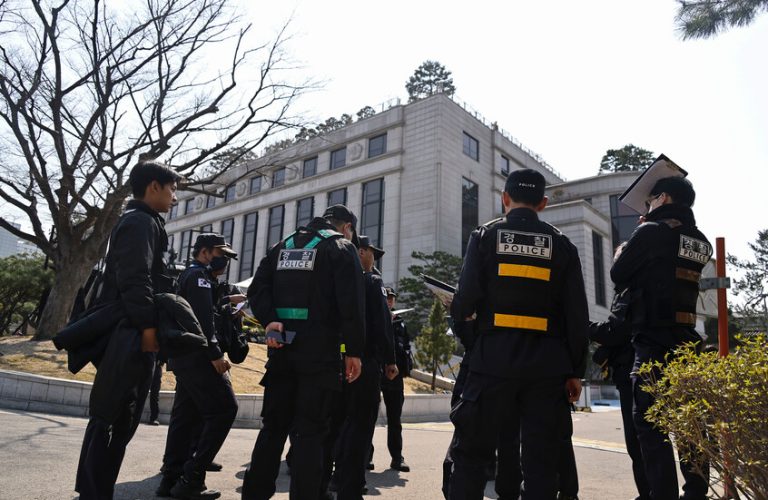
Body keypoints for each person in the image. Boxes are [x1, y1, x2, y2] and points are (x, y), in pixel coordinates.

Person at [448, 168, 589, 500]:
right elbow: (576, 316)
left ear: (505, 198)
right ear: (543, 203)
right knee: (542, 464)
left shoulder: (485, 236)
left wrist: (476, 343)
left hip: (491, 361)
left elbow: (464, 301)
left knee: (471, 457)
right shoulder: (563, 246)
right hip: (547, 368)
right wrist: (575, 370)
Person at [242, 204, 366, 500]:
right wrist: (354, 351)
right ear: (347, 227)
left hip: (281, 352)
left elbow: (256, 290)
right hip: (319, 357)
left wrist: (270, 319)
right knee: (311, 433)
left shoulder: (281, 246)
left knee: (273, 428)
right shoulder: (341, 247)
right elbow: (352, 305)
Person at [75, 160, 179, 500]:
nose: (175, 197)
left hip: (129, 329)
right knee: (113, 416)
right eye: (171, 189)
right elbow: (136, 279)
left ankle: (94, 490)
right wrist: (148, 328)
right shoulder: (140, 222)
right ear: (153, 187)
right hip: (130, 332)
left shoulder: (142, 221)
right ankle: (94, 492)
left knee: (117, 416)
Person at [611, 176, 711, 500]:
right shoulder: (701, 241)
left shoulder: (650, 232)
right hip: (689, 342)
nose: (648, 205)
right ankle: (695, 493)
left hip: (653, 342)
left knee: (651, 426)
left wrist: (632, 240)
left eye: (650, 199)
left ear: (663, 198)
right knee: (691, 424)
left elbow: (618, 274)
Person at [158, 233, 240, 499]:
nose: (224, 260)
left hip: (185, 356)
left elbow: (204, 309)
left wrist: (226, 303)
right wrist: (215, 354)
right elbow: (203, 320)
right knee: (225, 409)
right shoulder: (199, 277)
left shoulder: (192, 275)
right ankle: (192, 477)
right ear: (205, 252)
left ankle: (171, 478)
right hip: (199, 356)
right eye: (221, 254)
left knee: (185, 416)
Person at [335, 236, 398, 500]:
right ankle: (351, 485)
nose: (374, 258)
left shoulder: (340, 281)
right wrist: (391, 359)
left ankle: (337, 478)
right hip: (366, 361)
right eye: (372, 252)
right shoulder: (372, 282)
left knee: (341, 422)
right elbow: (383, 324)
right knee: (361, 425)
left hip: (338, 360)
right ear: (361, 252)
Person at [589, 243, 650, 500]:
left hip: (632, 374)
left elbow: (616, 332)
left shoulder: (629, 289)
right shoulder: (640, 286)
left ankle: (648, 494)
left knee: (639, 441)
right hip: (639, 369)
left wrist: (583, 326)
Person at [379, 287, 412, 472]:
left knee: (395, 419)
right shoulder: (374, 317)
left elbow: (405, 347)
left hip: (395, 375)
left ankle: (397, 457)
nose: (390, 301)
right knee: (366, 418)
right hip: (377, 372)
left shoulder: (400, 322)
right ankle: (365, 456)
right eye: (387, 298)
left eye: (392, 298)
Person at [147, 358, 164, 426]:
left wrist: (161, 361)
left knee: (154, 395)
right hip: (146, 365)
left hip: (156, 367)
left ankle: (153, 418)